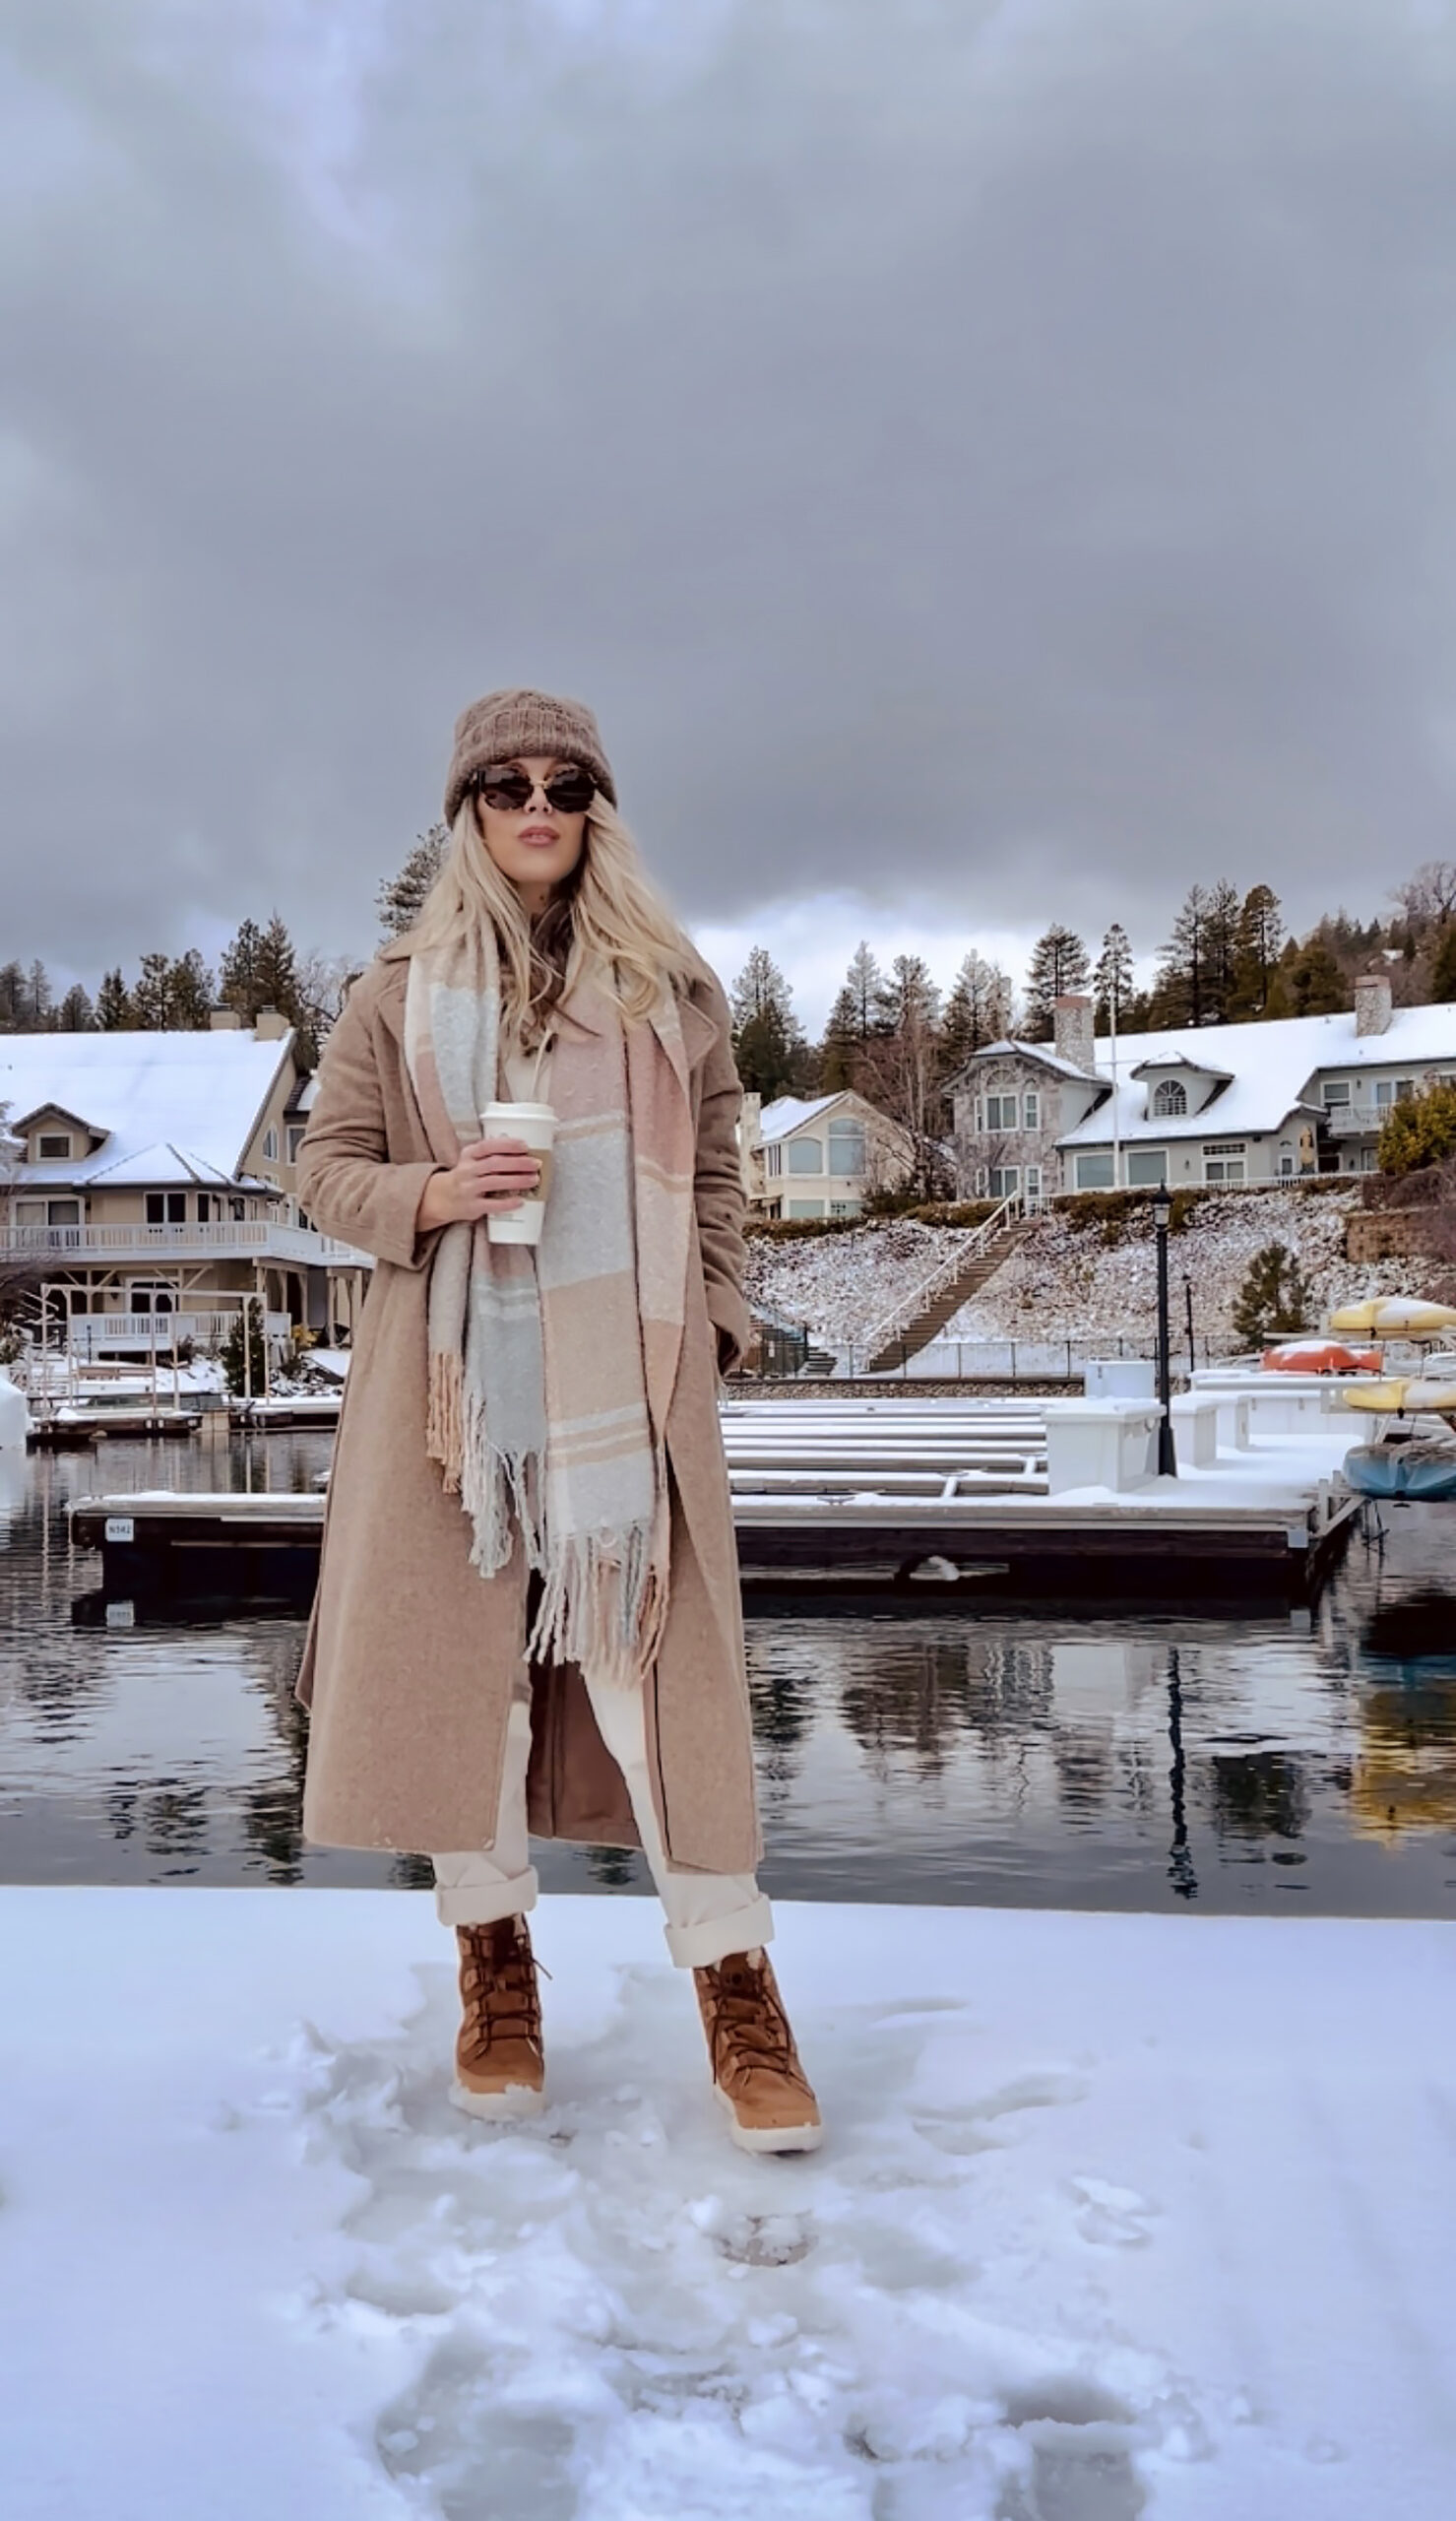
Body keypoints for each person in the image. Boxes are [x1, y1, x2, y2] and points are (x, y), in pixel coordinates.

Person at [294, 686, 821, 2154]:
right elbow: (321, 1164)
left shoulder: (668, 990)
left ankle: (737, 1986)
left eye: (567, 782)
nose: (539, 805)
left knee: (657, 1694)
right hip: (449, 1402)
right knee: (473, 1688)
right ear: (466, 812)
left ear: (598, 806)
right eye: (507, 785)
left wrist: (713, 1312)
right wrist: (429, 1194)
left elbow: (719, 1173)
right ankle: (496, 1968)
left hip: (628, 1392)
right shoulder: (395, 992)